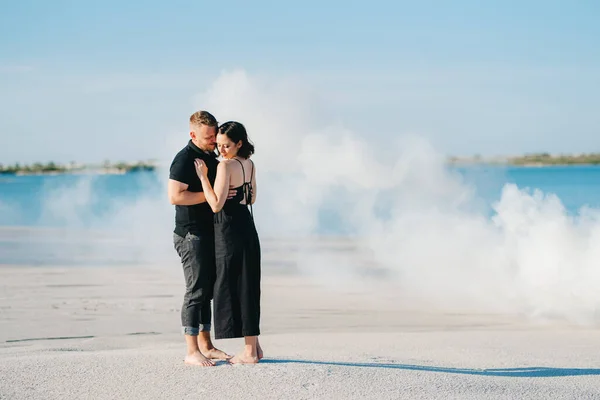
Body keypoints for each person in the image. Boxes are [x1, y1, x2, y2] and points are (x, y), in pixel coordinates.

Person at [194, 121, 263, 364]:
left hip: (229, 228)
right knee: (249, 284)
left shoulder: (225, 166)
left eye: (226, 145)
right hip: (247, 224)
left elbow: (215, 205)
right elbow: (252, 196)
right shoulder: (249, 163)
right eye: (219, 146)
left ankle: (251, 352)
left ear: (239, 143)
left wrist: (204, 178)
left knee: (233, 284)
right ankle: (254, 346)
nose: (221, 150)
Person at [168, 110, 232, 367]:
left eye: (214, 135)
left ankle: (207, 345)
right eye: (208, 137)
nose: (213, 140)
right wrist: (211, 195)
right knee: (195, 291)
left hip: (209, 233)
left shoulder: (211, 156)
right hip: (190, 234)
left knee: (207, 290)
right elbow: (176, 196)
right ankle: (191, 350)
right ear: (193, 134)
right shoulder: (184, 159)